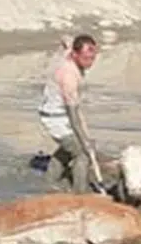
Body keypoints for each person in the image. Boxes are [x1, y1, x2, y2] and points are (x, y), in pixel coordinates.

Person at [38, 33, 103, 192]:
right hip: (56, 117)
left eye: (92, 58)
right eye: (86, 59)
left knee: (68, 147)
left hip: (58, 112)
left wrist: (68, 42)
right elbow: (73, 116)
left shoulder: (71, 54)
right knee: (81, 152)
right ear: (75, 55)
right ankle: (79, 192)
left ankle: (50, 180)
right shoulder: (69, 77)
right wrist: (85, 141)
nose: (90, 63)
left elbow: (66, 41)